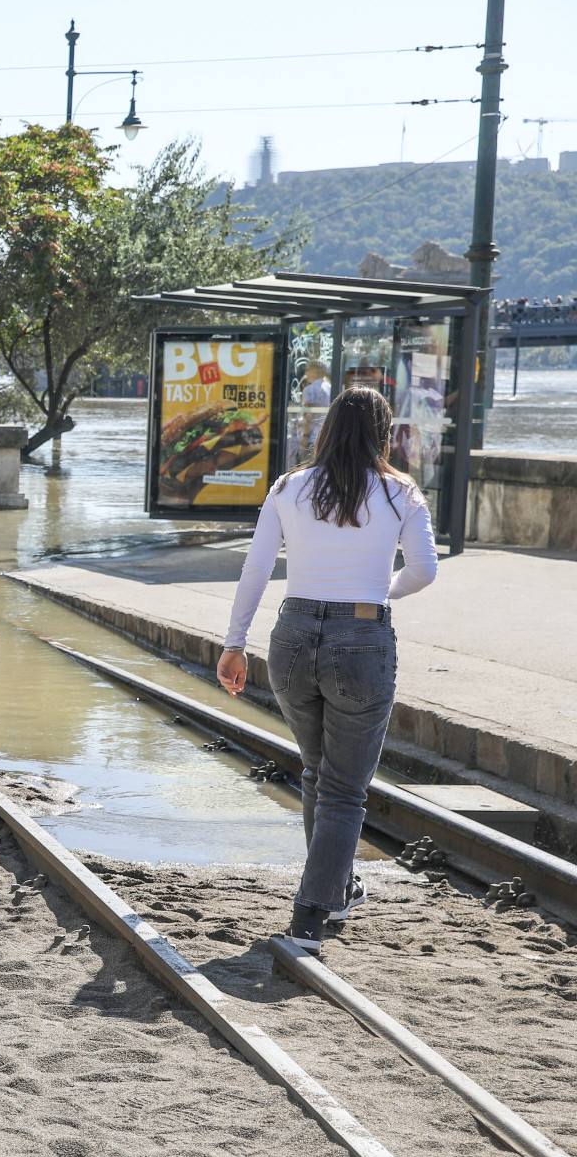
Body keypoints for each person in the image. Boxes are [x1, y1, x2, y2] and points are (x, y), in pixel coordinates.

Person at [217, 387, 439, 954]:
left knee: (318, 773)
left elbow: (256, 568)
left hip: (291, 638)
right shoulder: (400, 491)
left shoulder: (288, 488)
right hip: (362, 641)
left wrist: (234, 643)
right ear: (384, 434)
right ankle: (310, 919)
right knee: (343, 789)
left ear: (327, 428)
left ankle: (335, 890)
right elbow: (424, 571)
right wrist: (376, 596)